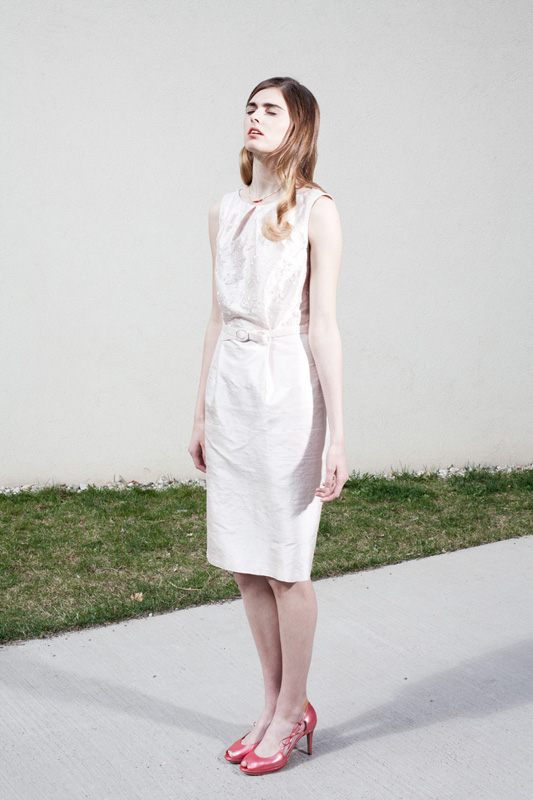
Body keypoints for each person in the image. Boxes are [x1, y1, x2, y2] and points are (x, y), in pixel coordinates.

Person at [188, 76, 347, 776]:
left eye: (269, 109)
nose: (254, 117)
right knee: (246, 563)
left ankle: (292, 709)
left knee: (285, 565)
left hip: (287, 393)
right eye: (249, 107)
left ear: (298, 126)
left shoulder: (317, 210)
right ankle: (272, 704)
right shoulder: (223, 209)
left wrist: (337, 433)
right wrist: (200, 411)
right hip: (231, 390)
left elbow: (325, 326)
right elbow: (215, 317)